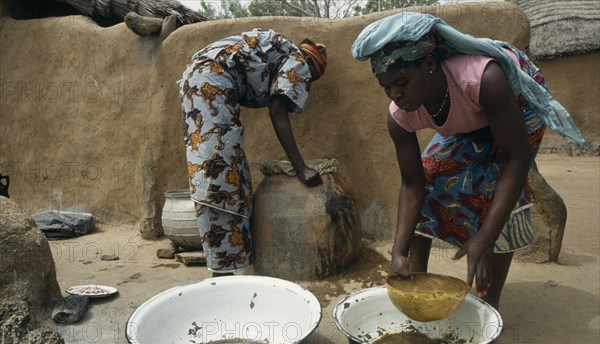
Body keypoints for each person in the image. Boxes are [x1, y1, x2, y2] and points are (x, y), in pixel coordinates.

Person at [352, 12, 584, 309]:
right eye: (387, 87)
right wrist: (399, 252)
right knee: (431, 172)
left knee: (497, 188)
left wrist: (485, 237)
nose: (395, 95)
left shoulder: (484, 79)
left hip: (518, 107)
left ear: (430, 65)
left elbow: (516, 157)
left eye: (402, 82)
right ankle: (414, 285)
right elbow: (412, 183)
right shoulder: (400, 115)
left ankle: (490, 303)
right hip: (472, 115)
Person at [179, 28, 327, 277]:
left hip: (197, 78)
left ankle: (223, 269)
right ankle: (222, 275)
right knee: (221, 174)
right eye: (310, 79)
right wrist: (301, 168)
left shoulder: (282, 52)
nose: (305, 84)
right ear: (311, 63)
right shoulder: (299, 60)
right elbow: (277, 111)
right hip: (211, 81)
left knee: (221, 171)